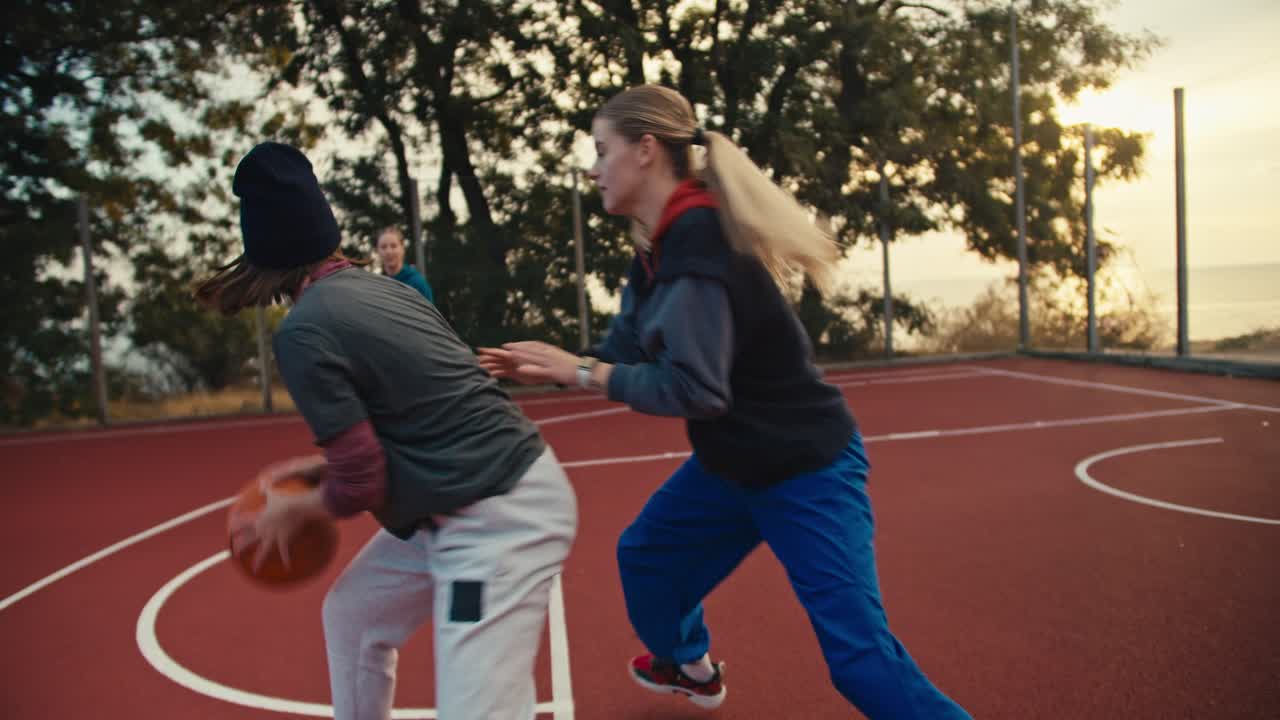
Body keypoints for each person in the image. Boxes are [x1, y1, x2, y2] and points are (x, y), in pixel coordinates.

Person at [478, 85, 970, 718]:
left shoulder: (698, 246)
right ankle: (692, 668)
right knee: (647, 559)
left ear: (646, 151)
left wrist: (578, 373)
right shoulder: (654, 244)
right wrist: (545, 367)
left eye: (603, 150)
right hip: (733, 466)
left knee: (861, 665)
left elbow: (697, 390)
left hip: (806, 469)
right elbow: (624, 349)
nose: (593, 168)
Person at [195, 141, 576, 720]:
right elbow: (415, 421)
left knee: (478, 712)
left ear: (261, 251)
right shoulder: (385, 289)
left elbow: (363, 479)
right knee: (354, 614)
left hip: (495, 524)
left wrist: (298, 509)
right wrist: (318, 469)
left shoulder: (304, 332)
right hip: (468, 498)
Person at [376, 225, 435, 303]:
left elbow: (429, 314)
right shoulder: (378, 286)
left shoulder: (418, 284)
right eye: (383, 247)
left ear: (402, 249)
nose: (388, 252)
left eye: (393, 246)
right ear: (378, 251)